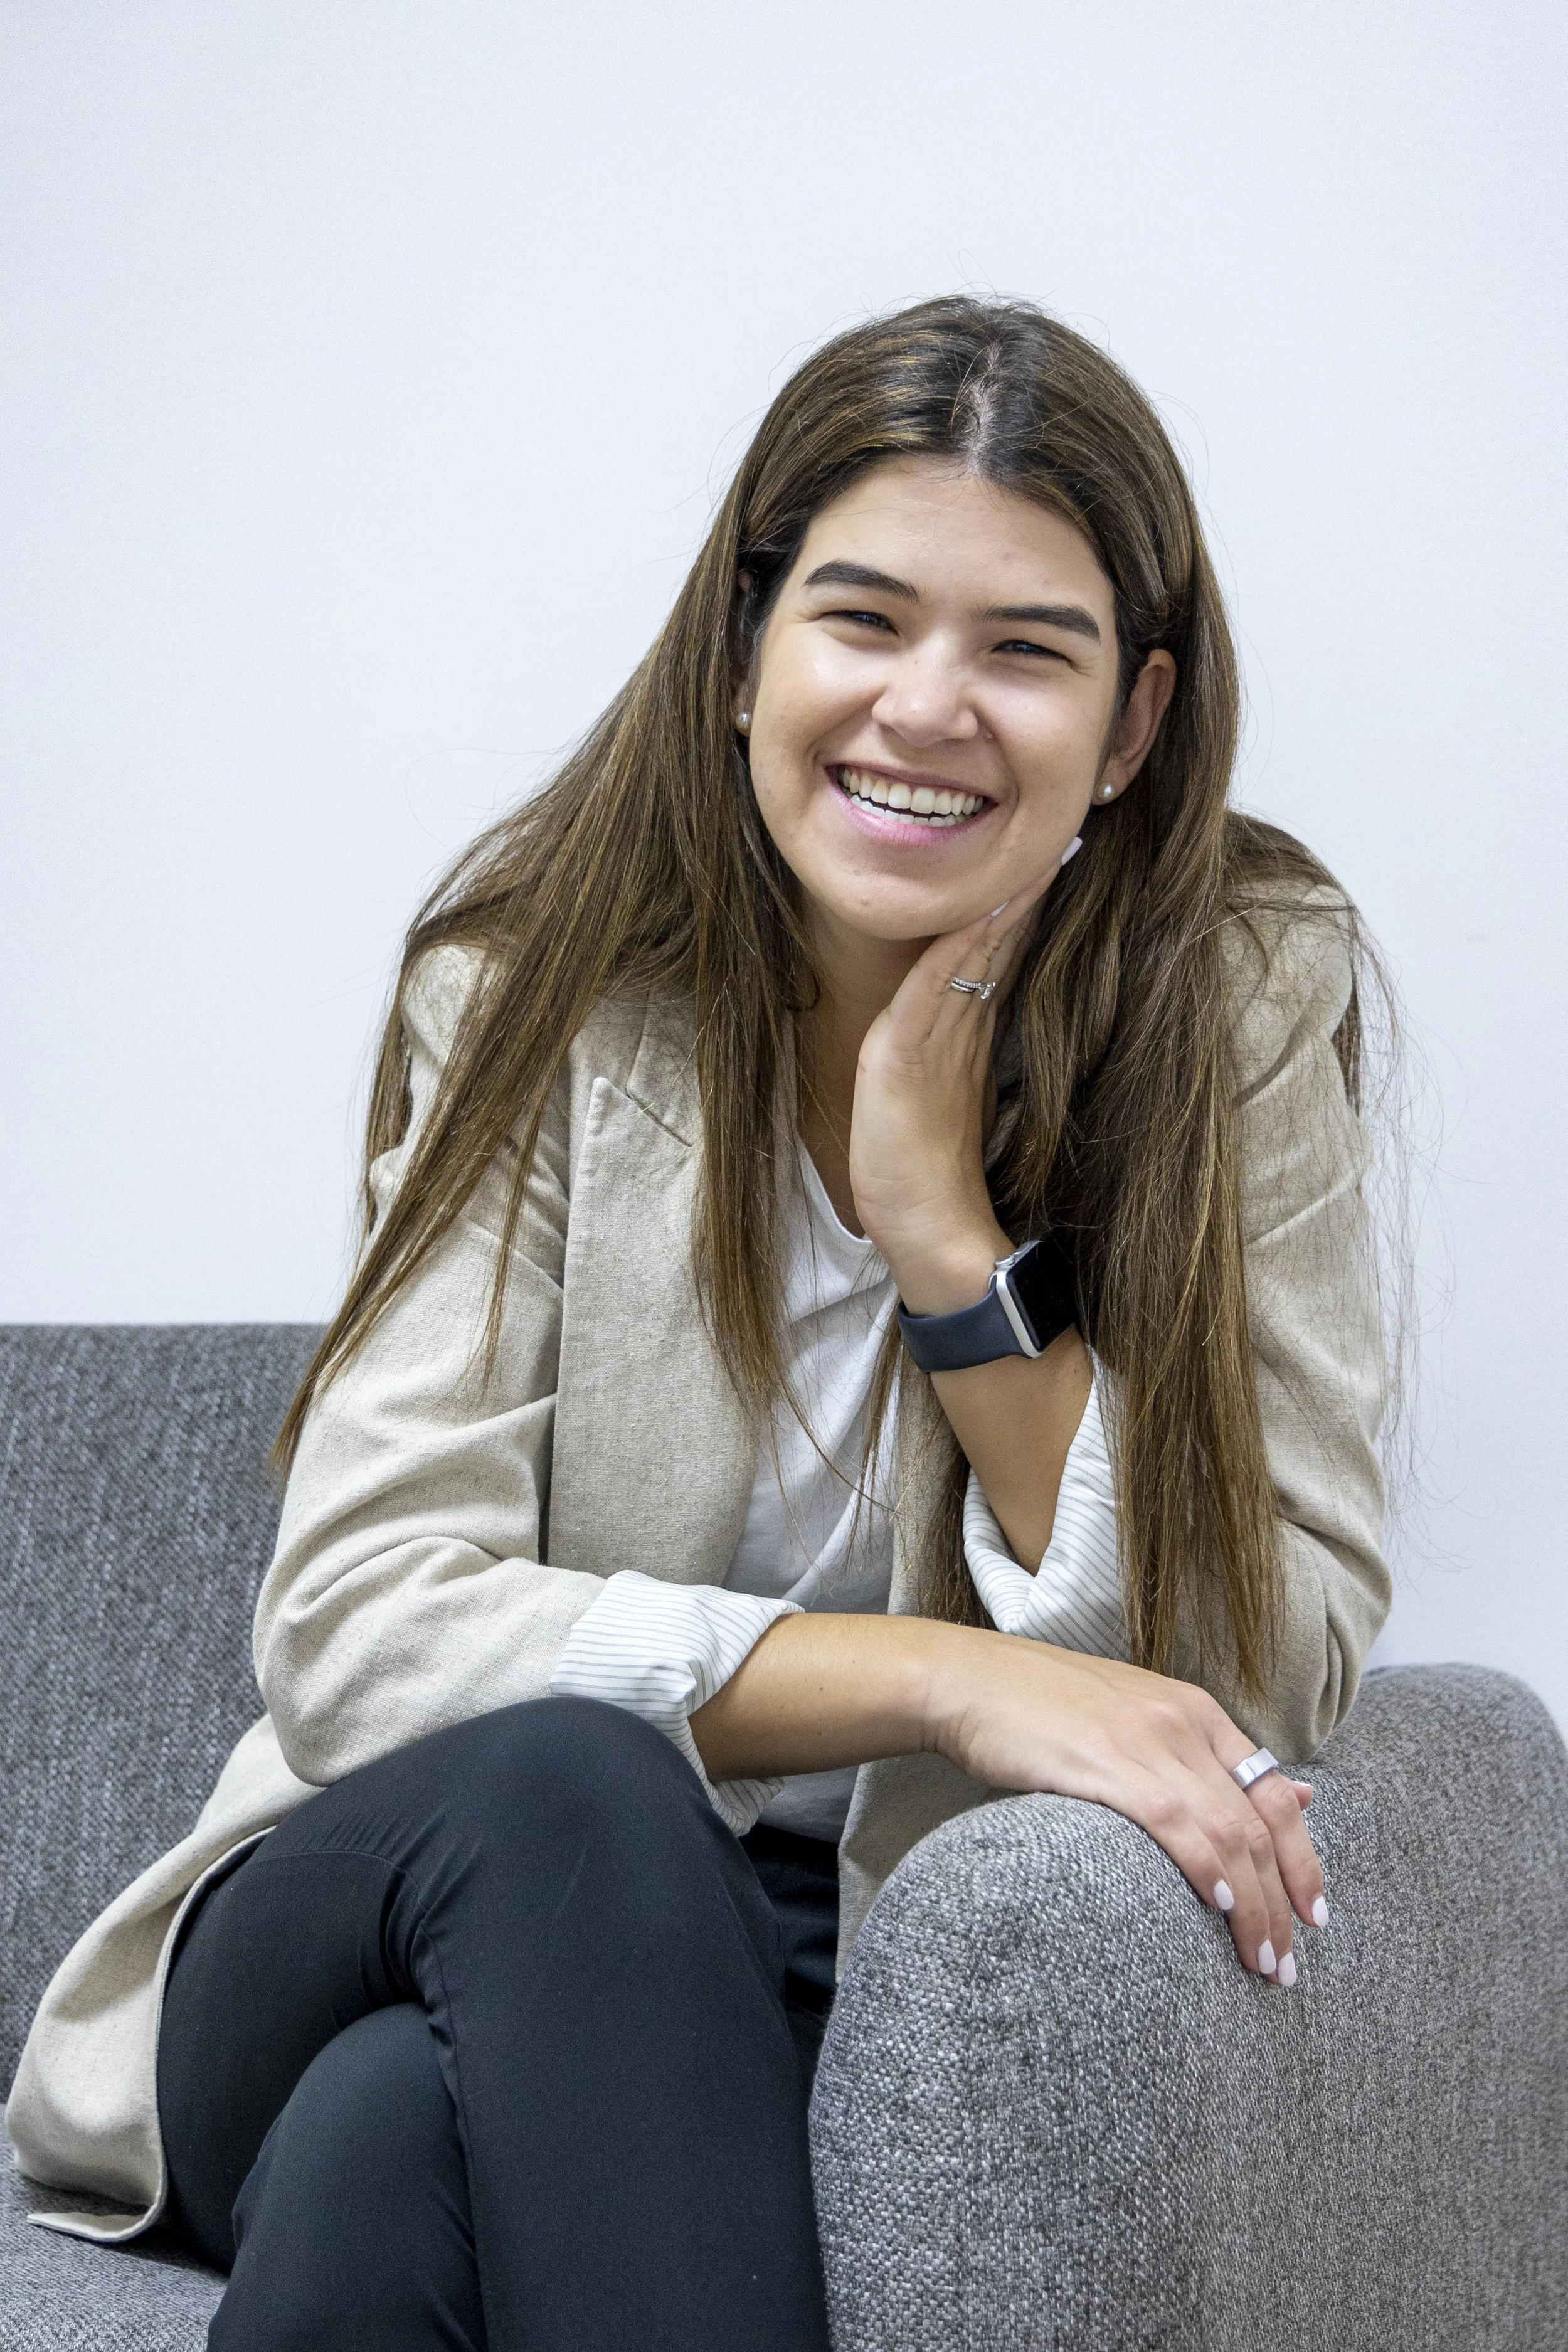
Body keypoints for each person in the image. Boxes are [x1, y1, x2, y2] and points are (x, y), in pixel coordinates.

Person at [7, 296, 1391, 2351]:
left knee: (386, 2153)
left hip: (827, 1985)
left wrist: (951, 1247)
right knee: (574, 1790)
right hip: (363, 1911)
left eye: (1026, 647)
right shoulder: (535, 981)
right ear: (747, 651)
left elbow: (1262, 1661)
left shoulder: (1242, 1011)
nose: (927, 705)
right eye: (861, 618)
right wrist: (934, 1679)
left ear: (1132, 722)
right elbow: (359, 1621)